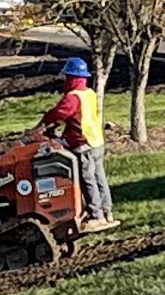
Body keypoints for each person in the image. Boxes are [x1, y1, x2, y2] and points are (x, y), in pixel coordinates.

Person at [42, 56, 115, 232]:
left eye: (67, 76)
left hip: (84, 144)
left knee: (87, 178)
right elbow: (77, 117)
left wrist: (43, 124)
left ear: (71, 78)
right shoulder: (88, 94)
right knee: (99, 177)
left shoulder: (72, 97)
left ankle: (95, 216)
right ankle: (107, 212)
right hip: (97, 141)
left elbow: (59, 113)